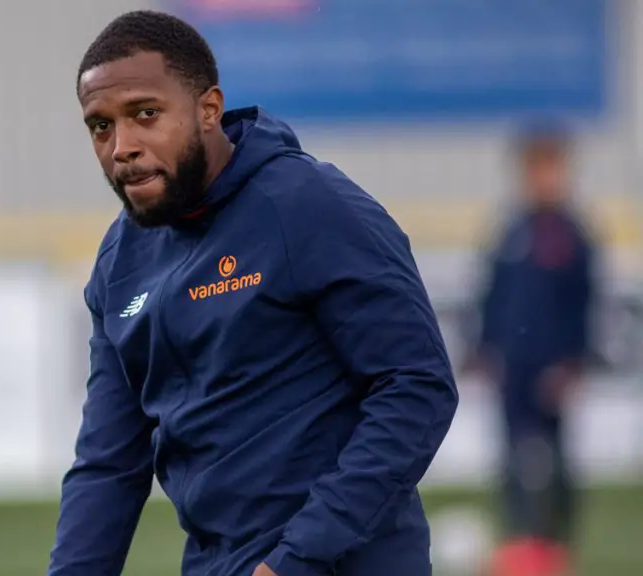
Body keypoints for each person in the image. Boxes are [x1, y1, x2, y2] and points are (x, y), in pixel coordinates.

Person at [47, 10, 459, 576]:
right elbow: (108, 463)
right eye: (101, 126)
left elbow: (417, 388)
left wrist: (296, 557)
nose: (123, 146)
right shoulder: (120, 263)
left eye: (146, 114)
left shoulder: (309, 206)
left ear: (208, 110)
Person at [469, 124, 596, 576]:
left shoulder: (572, 234)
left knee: (554, 462)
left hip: (552, 367)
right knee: (512, 460)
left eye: (551, 169)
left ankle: (557, 545)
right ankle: (520, 546)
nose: (544, 179)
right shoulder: (511, 230)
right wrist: (483, 347)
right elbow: (492, 294)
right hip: (513, 366)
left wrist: (571, 362)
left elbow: (583, 303)